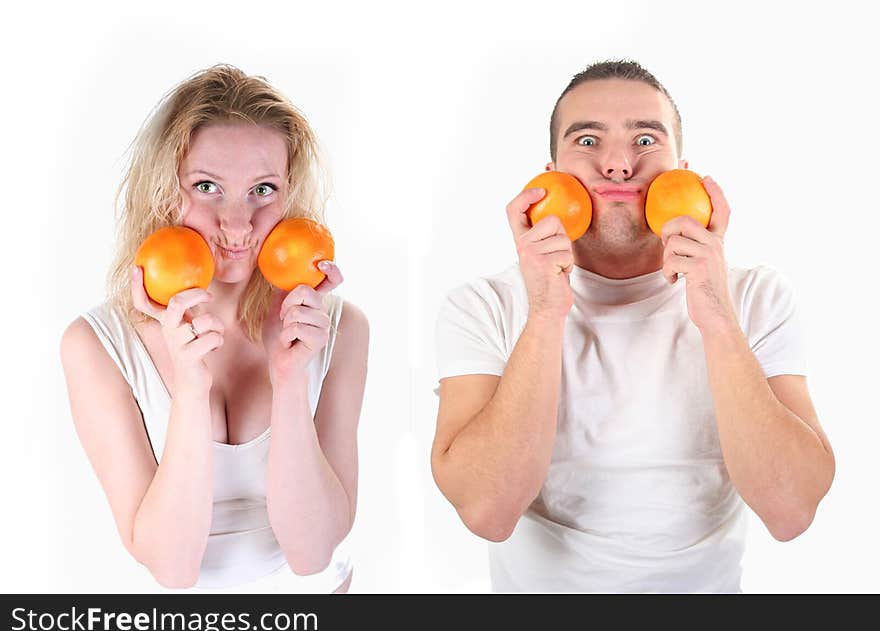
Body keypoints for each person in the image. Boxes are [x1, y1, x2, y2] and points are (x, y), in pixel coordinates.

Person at [431, 60, 835, 593]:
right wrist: (546, 315)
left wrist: (716, 316)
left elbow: (791, 510)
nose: (619, 165)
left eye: (645, 139)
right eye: (588, 141)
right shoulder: (482, 306)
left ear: (683, 169)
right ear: (549, 172)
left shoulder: (756, 297)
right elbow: (487, 510)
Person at [60, 65, 368, 592]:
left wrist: (291, 377)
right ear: (163, 194)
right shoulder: (96, 345)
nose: (237, 224)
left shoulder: (339, 328)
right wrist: (190, 385)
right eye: (207, 186)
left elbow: (313, 553)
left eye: (262, 189)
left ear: (289, 195)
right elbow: (172, 567)